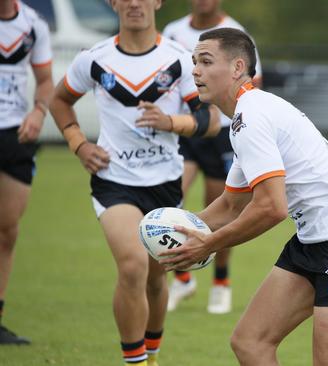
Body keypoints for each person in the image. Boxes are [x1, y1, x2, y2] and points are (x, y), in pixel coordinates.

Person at [160, 28, 328, 366]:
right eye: (194, 62)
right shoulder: (245, 117)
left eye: (205, 61)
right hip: (313, 240)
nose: (195, 70)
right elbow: (231, 204)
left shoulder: (251, 117)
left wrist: (209, 244)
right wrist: (179, 230)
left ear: (237, 67)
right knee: (250, 343)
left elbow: (272, 208)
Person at [48, 0, 220, 364]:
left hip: (164, 184)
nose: (134, 3)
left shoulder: (177, 59)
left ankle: (152, 355)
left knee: (156, 280)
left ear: (156, 1)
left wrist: (171, 122)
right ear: (113, 3)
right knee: (131, 266)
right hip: (114, 181)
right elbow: (60, 100)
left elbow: (212, 118)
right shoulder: (94, 59)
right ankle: (136, 362)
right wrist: (79, 144)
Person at [162, 0, 263, 315]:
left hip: (222, 132)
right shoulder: (173, 30)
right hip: (190, 129)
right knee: (172, 197)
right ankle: (182, 277)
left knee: (222, 207)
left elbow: (252, 82)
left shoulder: (234, 32)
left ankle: (220, 282)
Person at [0, 0, 53, 345]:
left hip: (14, 134)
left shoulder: (33, 25)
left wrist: (38, 111)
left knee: (7, 230)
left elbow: (46, 80)